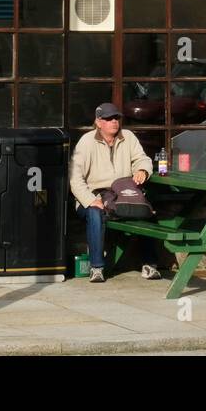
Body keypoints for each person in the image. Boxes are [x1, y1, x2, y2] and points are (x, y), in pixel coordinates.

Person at [70, 102, 158, 282]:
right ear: (98, 122)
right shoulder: (86, 142)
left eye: (116, 118)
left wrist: (142, 170)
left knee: (146, 210)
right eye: (109, 119)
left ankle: (150, 265)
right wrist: (90, 200)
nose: (114, 122)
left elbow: (143, 159)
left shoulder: (128, 137)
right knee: (95, 213)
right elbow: (74, 178)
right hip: (95, 194)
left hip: (123, 194)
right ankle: (97, 268)